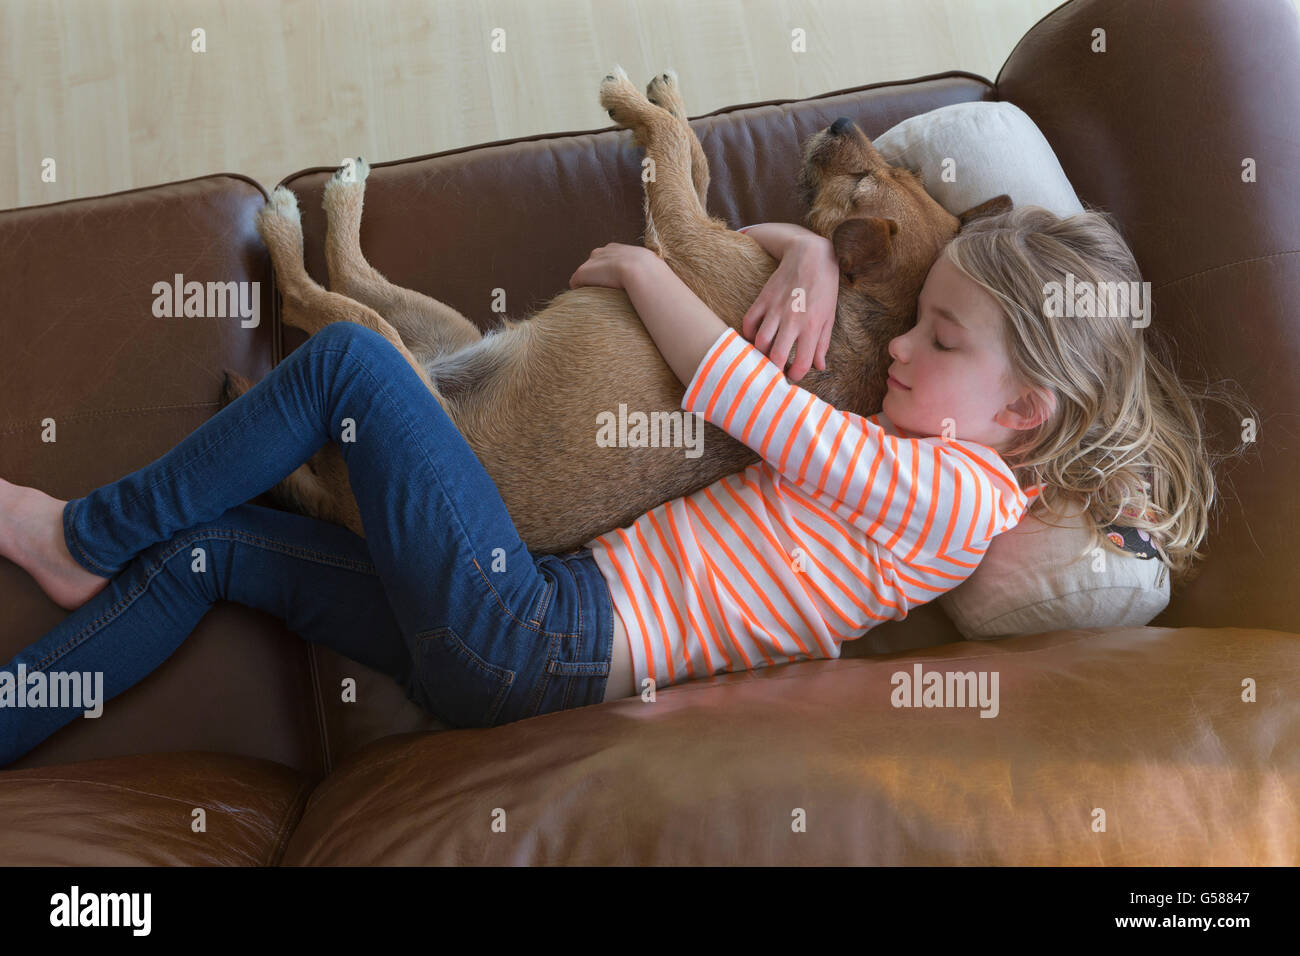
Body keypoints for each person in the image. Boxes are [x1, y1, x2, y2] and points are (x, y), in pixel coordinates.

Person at [0, 207, 1250, 765]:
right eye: (915, 319)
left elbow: (744, 396)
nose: (903, 348)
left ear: (1021, 412)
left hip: (540, 637)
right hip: (520, 620)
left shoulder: (956, 497)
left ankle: (80, 532)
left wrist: (640, 269)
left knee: (344, 366)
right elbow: (788, 342)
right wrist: (808, 245)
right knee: (213, 551)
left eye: (939, 338)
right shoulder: (931, 454)